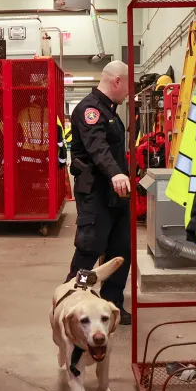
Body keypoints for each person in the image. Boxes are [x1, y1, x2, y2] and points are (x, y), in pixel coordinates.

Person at [66, 61, 133, 325]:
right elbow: (97, 147)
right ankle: (73, 297)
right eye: (128, 85)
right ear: (117, 81)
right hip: (96, 194)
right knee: (89, 249)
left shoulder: (111, 111)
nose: (130, 92)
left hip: (116, 195)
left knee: (120, 250)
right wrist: (115, 173)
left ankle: (112, 303)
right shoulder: (90, 110)